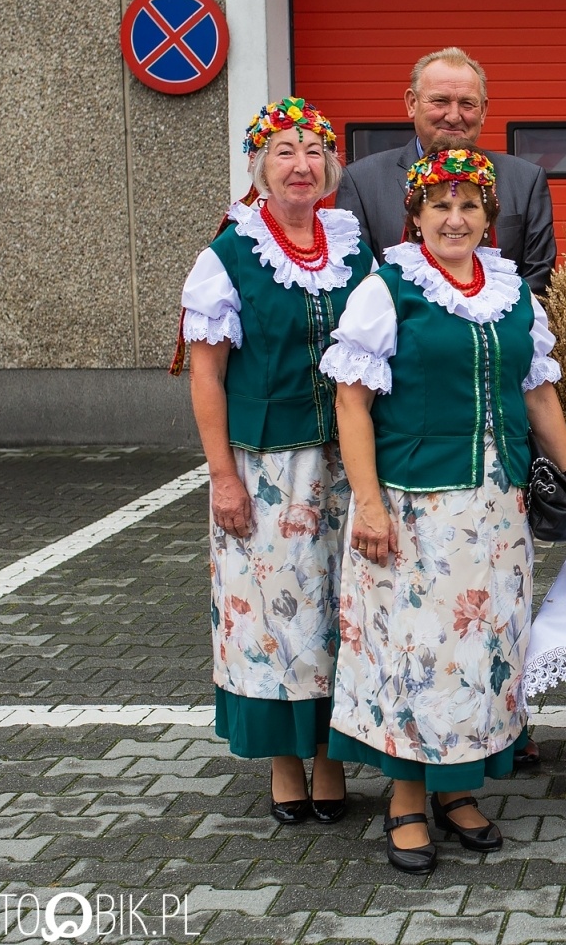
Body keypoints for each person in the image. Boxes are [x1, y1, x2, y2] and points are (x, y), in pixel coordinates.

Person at [321, 148, 566, 875]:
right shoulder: (387, 288)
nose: (455, 218)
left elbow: (538, 393)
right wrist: (367, 503)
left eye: (469, 205)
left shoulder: (510, 292)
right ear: (416, 214)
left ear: (489, 218)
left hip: (497, 512)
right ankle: (406, 799)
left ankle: (458, 791)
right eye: (440, 205)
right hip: (414, 510)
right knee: (415, 653)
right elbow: (352, 401)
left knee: (480, 654)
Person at [180, 97, 373, 825]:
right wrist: (222, 475)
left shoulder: (354, 244)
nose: (301, 164)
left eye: (314, 151)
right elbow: (207, 376)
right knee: (275, 617)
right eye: (285, 151)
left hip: (347, 462)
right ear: (260, 168)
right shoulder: (229, 253)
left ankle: (330, 755)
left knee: (341, 609)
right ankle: (286, 763)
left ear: (330, 168)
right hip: (267, 469)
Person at [336, 47, 557, 296]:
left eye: (467, 103)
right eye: (440, 101)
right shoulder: (362, 182)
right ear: (412, 103)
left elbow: (538, 281)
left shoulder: (526, 181)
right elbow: (354, 281)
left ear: (483, 110)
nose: (453, 116)